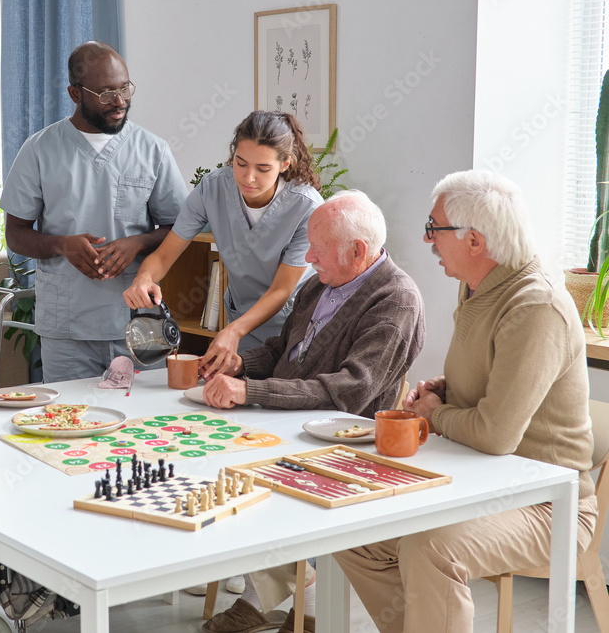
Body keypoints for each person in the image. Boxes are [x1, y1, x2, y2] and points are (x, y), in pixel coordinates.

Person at [334, 170, 598, 633]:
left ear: (474, 240)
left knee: (431, 548)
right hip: (479, 479)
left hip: (547, 505)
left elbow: (496, 434)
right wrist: (444, 390)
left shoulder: (535, 307)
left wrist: (436, 414)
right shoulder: (478, 287)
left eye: (434, 228)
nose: (425, 238)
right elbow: (488, 382)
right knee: (353, 531)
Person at [201, 190, 425, 633]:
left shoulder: (396, 300)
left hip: (345, 444)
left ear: (358, 251)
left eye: (318, 249)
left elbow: (348, 392)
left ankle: (310, 608)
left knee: (250, 474)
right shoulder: (320, 283)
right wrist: (239, 364)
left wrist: (250, 391)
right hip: (287, 426)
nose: (309, 257)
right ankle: (272, 596)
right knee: (214, 461)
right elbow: (282, 350)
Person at [0, 40, 186, 382]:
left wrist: (138, 243)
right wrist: (61, 245)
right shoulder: (39, 150)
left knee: (147, 428)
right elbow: (15, 235)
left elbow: (179, 229)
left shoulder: (152, 149)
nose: (119, 102)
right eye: (105, 93)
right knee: (70, 425)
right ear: (75, 93)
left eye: (124, 89)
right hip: (68, 329)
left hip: (138, 324)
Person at [124, 110, 322, 377]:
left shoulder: (305, 206)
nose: (248, 177)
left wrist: (232, 331)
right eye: (240, 163)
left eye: (263, 169)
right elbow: (163, 256)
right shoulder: (213, 189)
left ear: (285, 164)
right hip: (241, 324)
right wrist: (144, 278)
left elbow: (281, 290)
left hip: (293, 329)